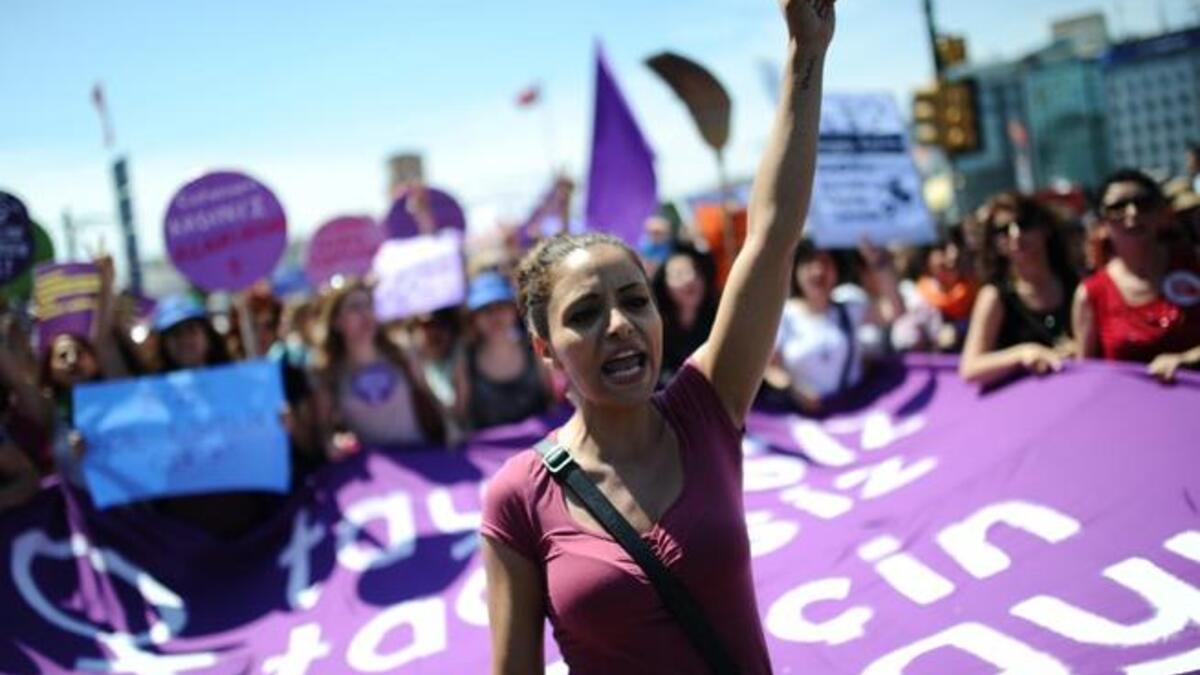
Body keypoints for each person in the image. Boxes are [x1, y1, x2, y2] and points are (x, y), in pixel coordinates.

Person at [479, 2, 835, 672]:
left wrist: (806, 55)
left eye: (635, 300)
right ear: (545, 348)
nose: (618, 324)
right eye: (584, 313)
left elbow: (772, 236)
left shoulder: (708, 406)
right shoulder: (517, 498)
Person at [1073, 169, 1200, 382]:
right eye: (1117, 207)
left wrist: (1187, 359)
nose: (1132, 213)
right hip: (1130, 412)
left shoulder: (1194, 265)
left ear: (1161, 213)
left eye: (1143, 203)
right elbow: (1085, 376)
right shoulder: (1090, 294)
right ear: (1101, 222)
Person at [764, 239, 903, 412]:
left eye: (825, 262)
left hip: (856, 411)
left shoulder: (850, 305)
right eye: (809, 262)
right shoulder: (784, 316)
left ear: (837, 270)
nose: (818, 270)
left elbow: (894, 311)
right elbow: (768, 368)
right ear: (795, 271)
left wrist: (880, 263)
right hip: (806, 422)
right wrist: (793, 390)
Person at [311, 280, 444, 456]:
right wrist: (334, 442)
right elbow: (324, 431)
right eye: (354, 308)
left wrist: (450, 429)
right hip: (378, 475)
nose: (365, 314)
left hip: (420, 457)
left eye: (369, 305)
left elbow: (430, 399)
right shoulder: (327, 374)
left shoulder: (402, 355)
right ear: (336, 321)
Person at [959, 193, 1078, 385]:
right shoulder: (995, 296)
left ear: (1045, 228)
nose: (1016, 234)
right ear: (996, 244)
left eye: (1024, 223)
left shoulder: (1076, 283)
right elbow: (970, 369)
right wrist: (1024, 354)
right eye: (1003, 230)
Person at [454, 271, 552, 431]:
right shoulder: (466, 362)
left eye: (501, 307)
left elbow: (551, 402)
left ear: (513, 311)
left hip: (539, 449)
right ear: (474, 319)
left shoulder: (534, 350)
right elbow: (460, 418)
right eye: (485, 310)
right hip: (490, 454)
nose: (495, 317)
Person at [650, 243, 719, 385]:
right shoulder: (656, 327)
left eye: (696, 271)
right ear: (665, 285)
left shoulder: (719, 316)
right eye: (679, 274)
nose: (691, 279)